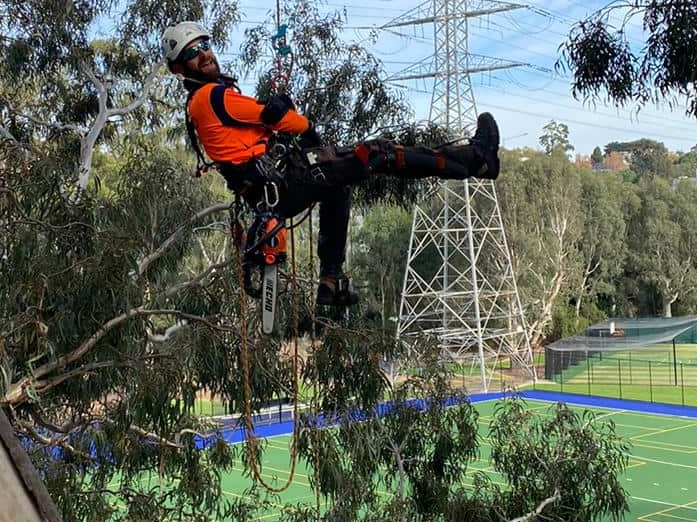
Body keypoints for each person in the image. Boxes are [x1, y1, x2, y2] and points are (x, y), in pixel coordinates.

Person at [162, 21, 501, 311]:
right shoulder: (211, 96)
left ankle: (330, 281)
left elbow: (258, 123)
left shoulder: (205, 100)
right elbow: (279, 119)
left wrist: (285, 120)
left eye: (204, 45)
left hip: (271, 190)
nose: (204, 54)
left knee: (337, 189)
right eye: (192, 52)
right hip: (283, 183)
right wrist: (302, 125)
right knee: (377, 153)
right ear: (179, 69)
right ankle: (476, 159)